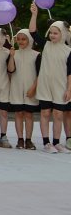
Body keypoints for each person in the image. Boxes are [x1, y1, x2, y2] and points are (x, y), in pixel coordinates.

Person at [30, 17, 71, 154]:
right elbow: (32, 32)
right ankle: (46, 143)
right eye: (51, 32)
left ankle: (56, 142)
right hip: (45, 86)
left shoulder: (68, 51)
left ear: (63, 34)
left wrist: (69, 89)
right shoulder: (46, 45)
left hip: (61, 87)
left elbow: (70, 73)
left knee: (58, 114)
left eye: (56, 33)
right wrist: (34, 14)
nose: (52, 35)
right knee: (45, 113)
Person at [7, 28, 39, 150]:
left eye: (23, 39)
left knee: (29, 115)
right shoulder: (14, 54)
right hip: (17, 88)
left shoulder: (36, 55)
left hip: (30, 89)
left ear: (29, 40)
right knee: (19, 114)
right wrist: (11, 57)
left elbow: (40, 74)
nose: (20, 41)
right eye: (19, 39)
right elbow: (10, 70)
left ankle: (28, 140)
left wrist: (33, 88)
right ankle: (20, 139)